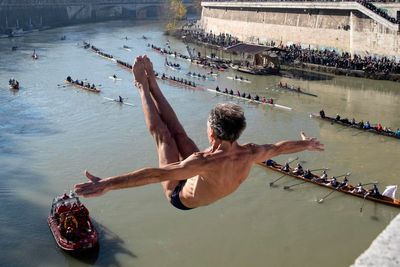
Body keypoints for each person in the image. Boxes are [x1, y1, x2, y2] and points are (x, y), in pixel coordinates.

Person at [74, 55, 324, 210]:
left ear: (213, 135)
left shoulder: (202, 161)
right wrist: (306, 144)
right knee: (181, 135)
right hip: (203, 178)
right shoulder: (251, 151)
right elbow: (280, 148)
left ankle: (142, 87)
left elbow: (153, 175)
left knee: (165, 136)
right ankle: (155, 86)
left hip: (179, 196)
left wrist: (108, 184)